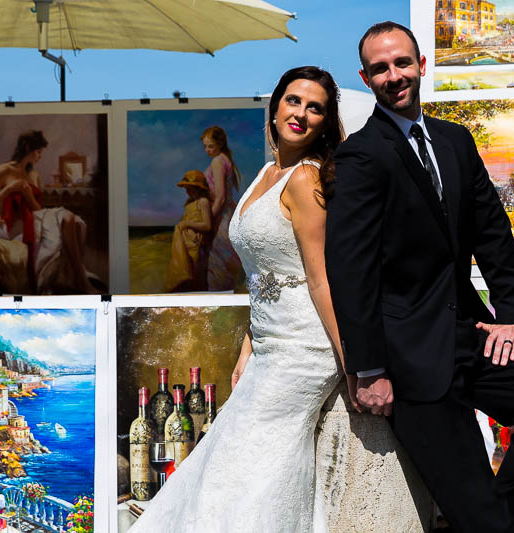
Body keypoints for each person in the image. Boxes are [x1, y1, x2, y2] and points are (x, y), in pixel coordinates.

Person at [324, 22, 514, 532]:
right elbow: (349, 270)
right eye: (380, 69)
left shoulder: (455, 140)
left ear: (422, 65)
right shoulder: (361, 155)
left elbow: (491, 229)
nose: (393, 76)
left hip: (471, 336)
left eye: (402, 63)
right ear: (365, 76)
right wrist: (369, 368)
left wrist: (510, 313)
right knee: (477, 512)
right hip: (409, 357)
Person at [129, 66, 354, 532]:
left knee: (251, 459)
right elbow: (262, 275)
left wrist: (353, 363)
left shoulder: (305, 180)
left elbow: (319, 279)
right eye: (293, 101)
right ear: (274, 110)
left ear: (325, 122)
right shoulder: (266, 174)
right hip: (268, 344)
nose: (301, 113)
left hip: (304, 349)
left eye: (315, 108)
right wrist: (249, 344)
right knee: (233, 453)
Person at [0, 130, 97, 294]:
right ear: (28, 148)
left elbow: (38, 209)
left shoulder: (34, 175)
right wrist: (9, 189)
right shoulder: (3, 170)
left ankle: (79, 280)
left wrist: (28, 196)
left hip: (36, 219)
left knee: (72, 221)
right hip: (17, 224)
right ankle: (82, 282)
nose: (40, 156)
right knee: (67, 218)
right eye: (38, 152)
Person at [200, 126, 243, 290]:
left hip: (221, 220)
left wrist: (208, 221)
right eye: (205, 146)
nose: (207, 150)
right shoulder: (226, 159)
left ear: (220, 144)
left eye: (210, 146)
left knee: (218, 269)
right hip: (228, 217)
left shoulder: (218, 161)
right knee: (225, 269)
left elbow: (221, 197)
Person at [164, 170, 213, 292]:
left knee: (196, 276)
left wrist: (186, 224)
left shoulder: (203, 202)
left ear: (197, 188)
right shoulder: (190, 204)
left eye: (189, 188)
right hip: (186, 244)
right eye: (186, 188)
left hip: (196, 244)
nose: (186, 191)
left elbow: (207, 226)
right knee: (187, 272)